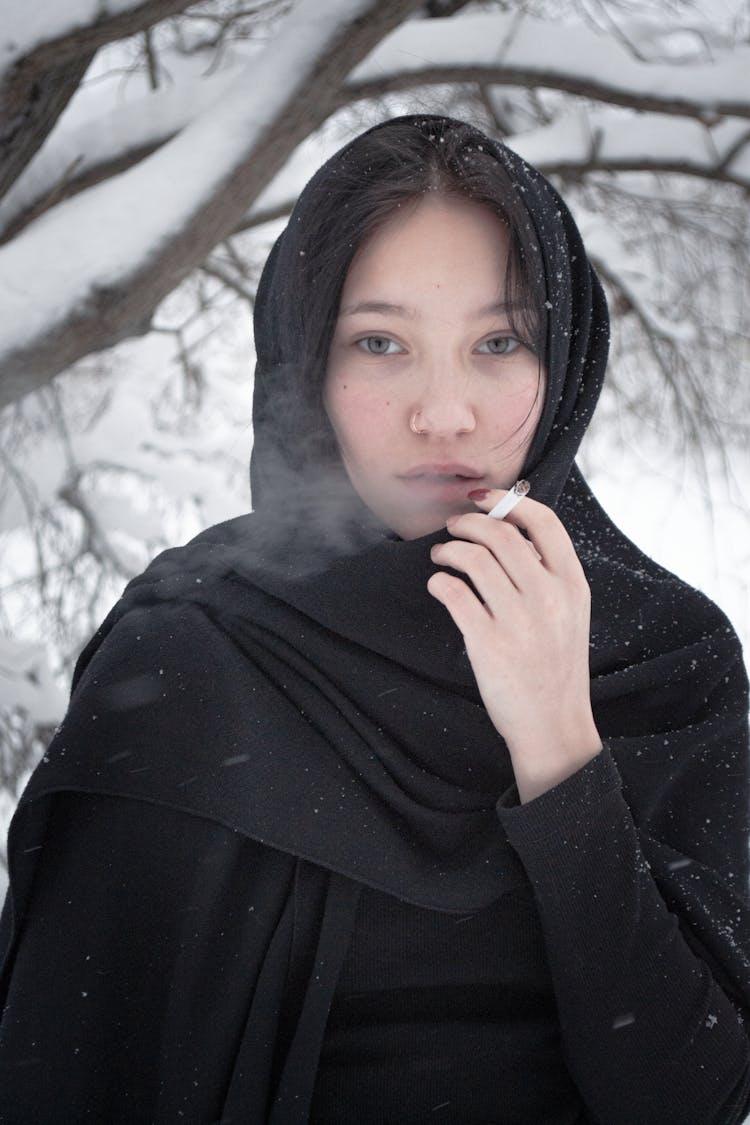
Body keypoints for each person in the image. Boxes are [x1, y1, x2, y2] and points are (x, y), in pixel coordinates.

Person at [1, 114, 749, 1125]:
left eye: (499, 341)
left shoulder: (665, 659)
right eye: (381, 342)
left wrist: (562, 752)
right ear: (306, 363)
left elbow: (689, 1099)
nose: (445, 413)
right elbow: (72, 1067)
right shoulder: (192, 653)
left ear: (563, 359)